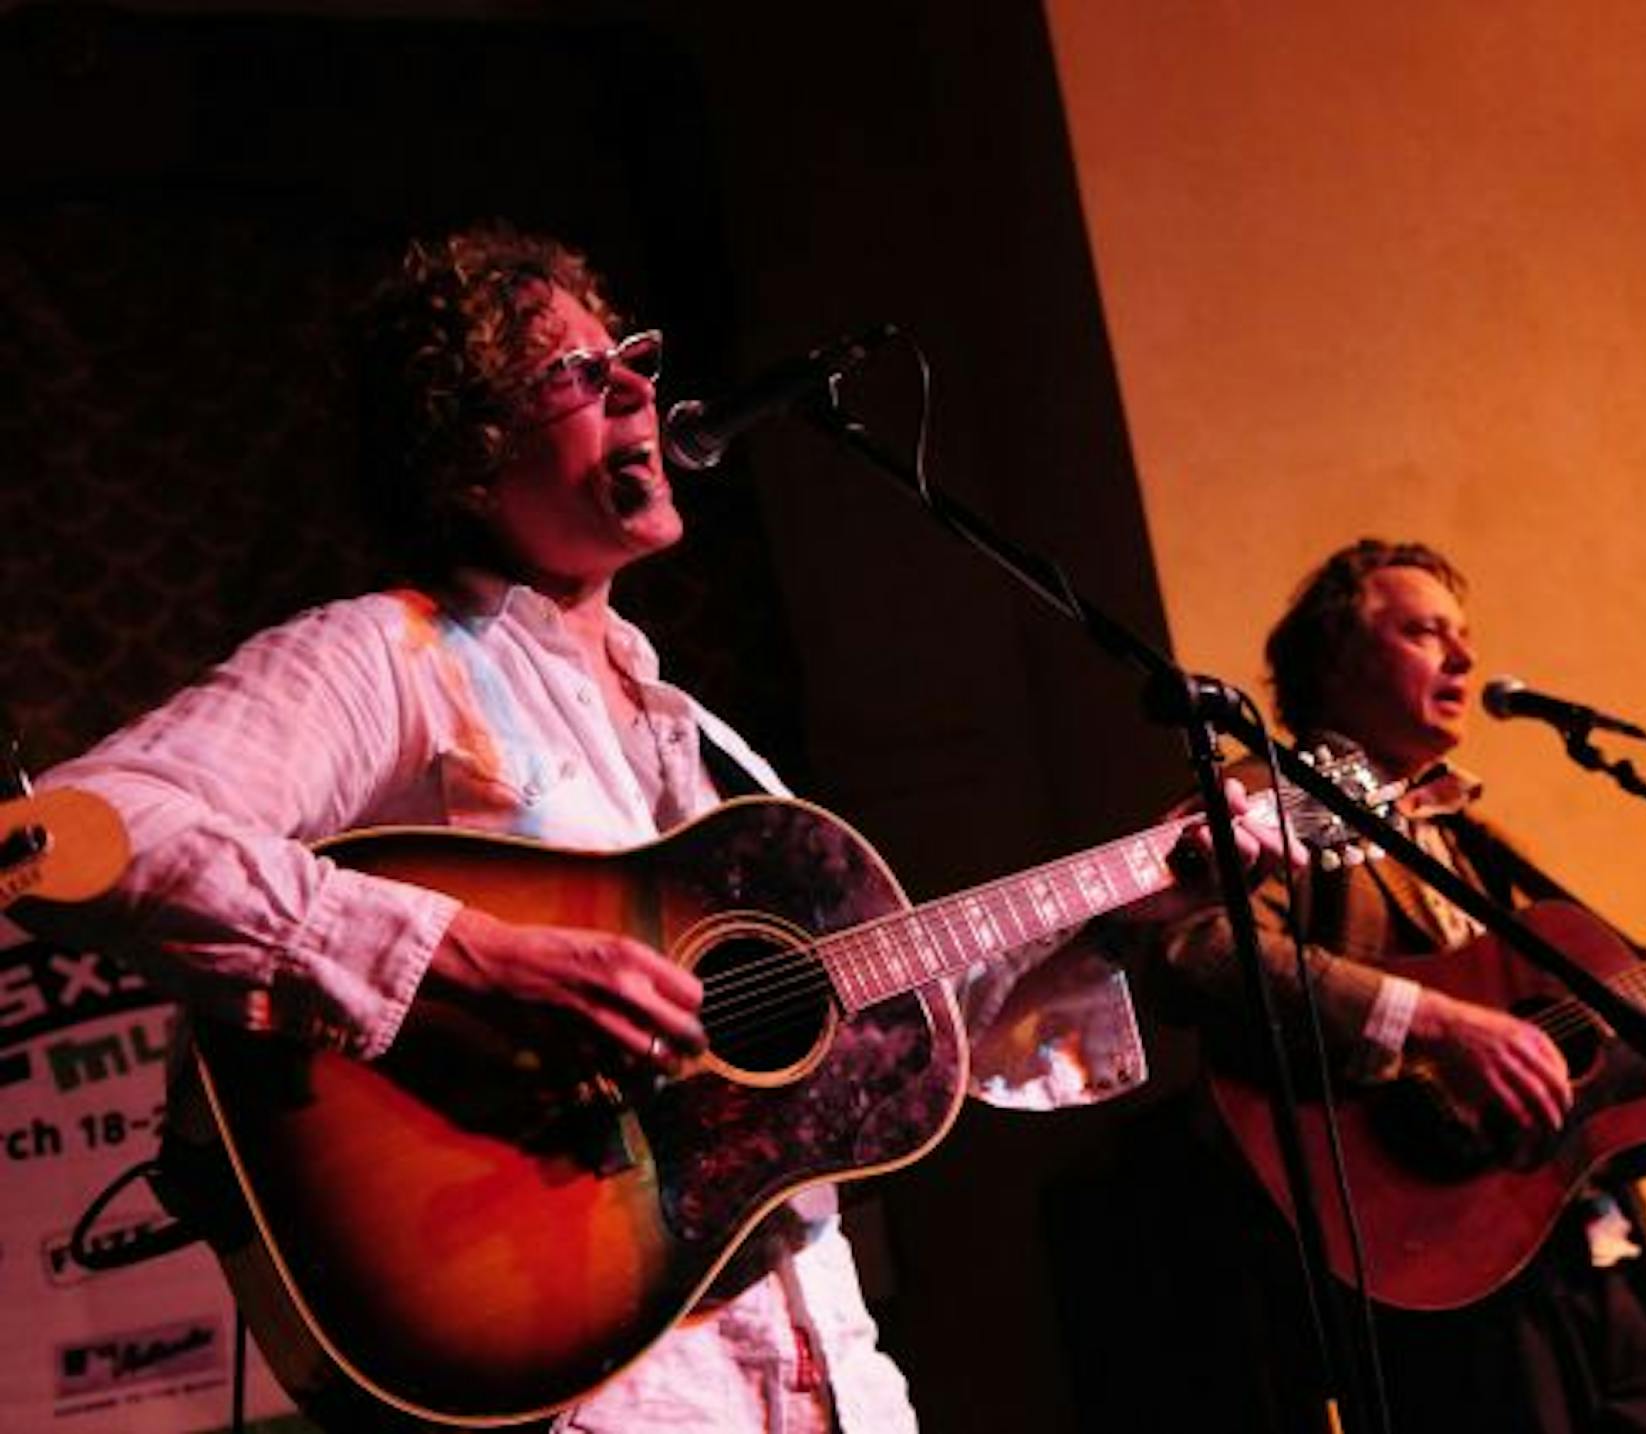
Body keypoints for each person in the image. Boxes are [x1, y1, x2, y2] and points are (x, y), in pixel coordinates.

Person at [15, 225, 1260, 1434]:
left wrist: (1133, 895)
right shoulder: (385, 659)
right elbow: (91, 826)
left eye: (636, 360)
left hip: (827, 1377)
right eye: (574, 374)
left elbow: (891, 1029)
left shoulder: (707, 742)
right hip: (603, 1392)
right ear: (463, 449)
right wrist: (469, 956)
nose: (638, 391)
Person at [1140, 538, 1646, 1434]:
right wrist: (1441, 1024)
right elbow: (1194, 948)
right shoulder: (1268, 801)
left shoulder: (1478, 848)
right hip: (1431, 1280)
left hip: (1590, 1263)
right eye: (1423, 632)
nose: (1465, 657)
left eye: (1464, 634)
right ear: (1336, 659)